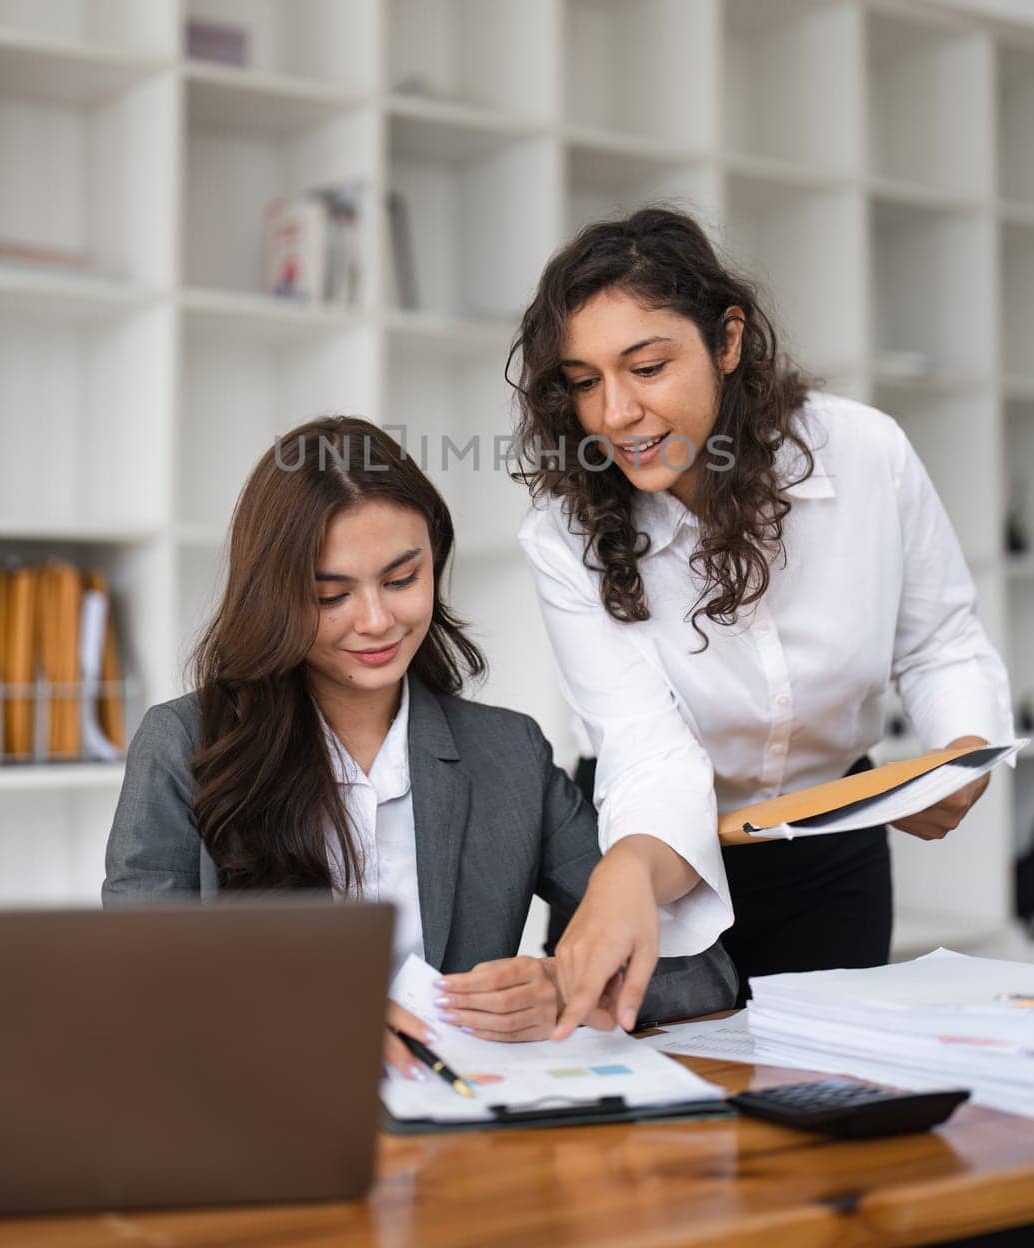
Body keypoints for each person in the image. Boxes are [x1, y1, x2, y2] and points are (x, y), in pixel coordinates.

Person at [103, 416, 737, 1077]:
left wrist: (562, 988)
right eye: (331, 594)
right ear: (273, 596)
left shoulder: (507, 754)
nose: (376, 620)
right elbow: (133, 985)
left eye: (401, 579)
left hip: (454, 1122)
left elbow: (699, 972)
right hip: (265, 1112)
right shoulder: (184, 744)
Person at [509, 206, 1014, 1029]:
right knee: (636, 1127)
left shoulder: (865, 454)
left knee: (826, 1106)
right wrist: (628, 876)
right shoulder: (563, 538)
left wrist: (958, 754)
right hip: (644, 856)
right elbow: (647, 749)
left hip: (831, 853)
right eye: (585, 380)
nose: (614, 414)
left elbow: (939, 643)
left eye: (646, 367)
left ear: (728, 340)